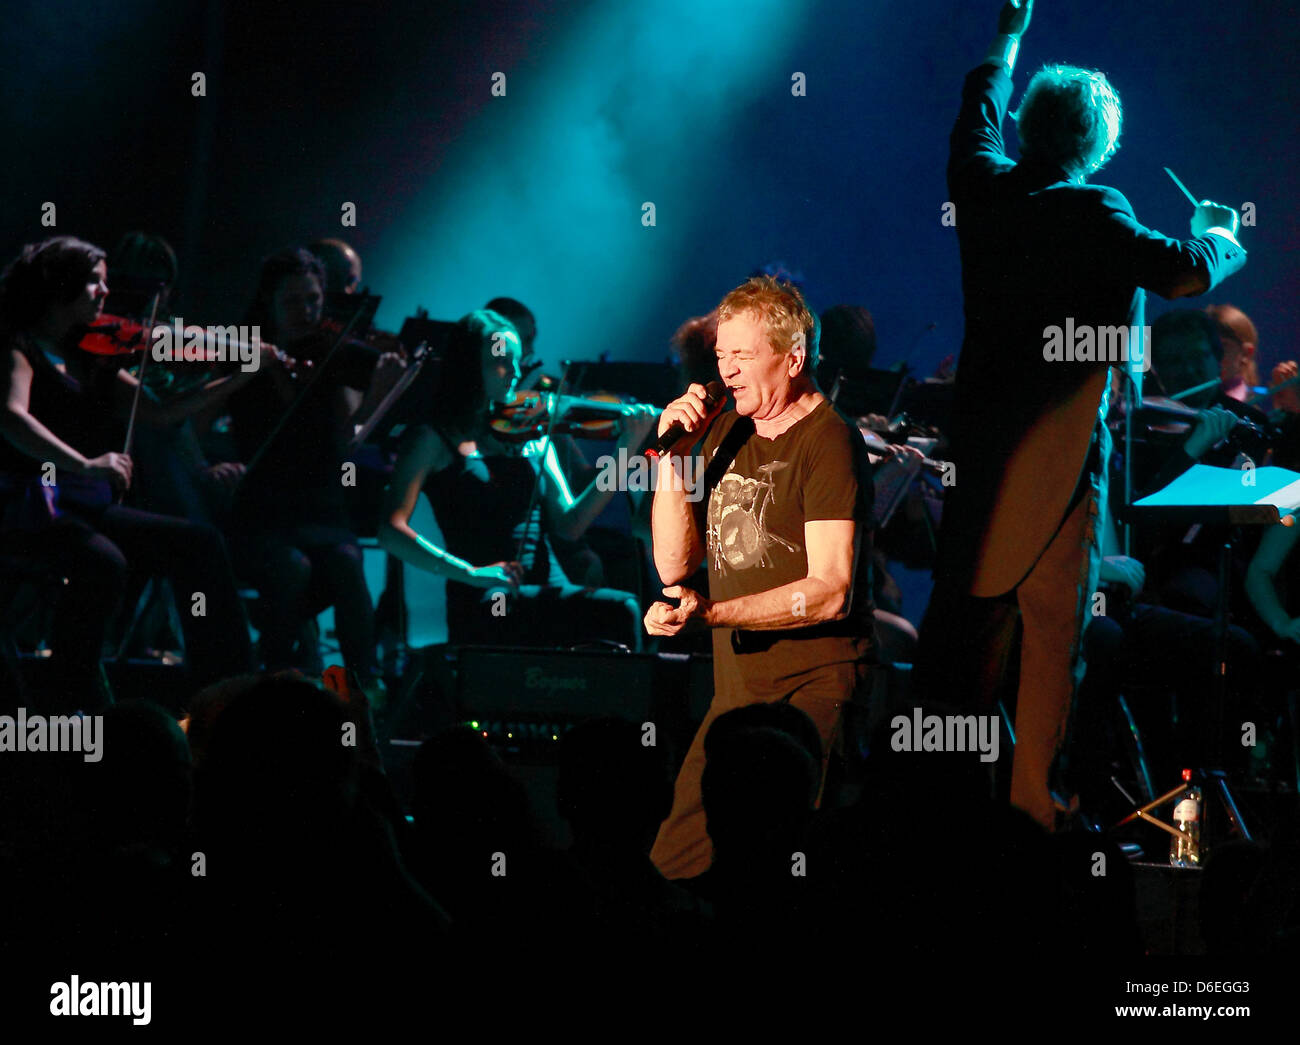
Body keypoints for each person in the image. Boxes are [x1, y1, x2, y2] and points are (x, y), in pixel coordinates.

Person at [914, 0, 1248, 829]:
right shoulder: (1096, 211)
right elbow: (1180, 274)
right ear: (1097, 146)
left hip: (984, 461)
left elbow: (975, 113)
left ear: (1029, 127)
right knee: (1054, 643)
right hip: (1061, 471)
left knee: (968, 642)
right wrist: (1221, 234)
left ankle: (946, 817)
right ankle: (1040, 812)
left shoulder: (985, 189)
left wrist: (1009, 35)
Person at [643, 275, 876, 879]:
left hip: (814, 689)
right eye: (721, 356)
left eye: (742, 356)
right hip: (739, 689)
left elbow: (830, 591)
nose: (727, 370)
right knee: (676, 858)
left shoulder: (830, 442)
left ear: (793, 358)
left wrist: (710, 613)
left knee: (792, 859)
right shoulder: (725, 430)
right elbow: (674, 567)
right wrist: (671, 462)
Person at [0, 236, 255, 709]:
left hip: (80, 507)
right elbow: (11, 418)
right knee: (104, 562)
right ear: (60, 287)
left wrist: (235, 375)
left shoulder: (91, 355)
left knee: (199, 542)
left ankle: (228, 690)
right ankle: (69, 694)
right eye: (95, 281)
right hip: (27, 508)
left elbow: (161, 412)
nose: (104, 293)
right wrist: (86, 464)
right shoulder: (18, 348)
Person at [378, 308, 655, 649]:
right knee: (618, 612)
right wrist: (470, 573)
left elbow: (571, 525)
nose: (515, 373)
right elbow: (391, 531)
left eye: (518, 361)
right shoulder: (434, 440)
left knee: (621, 610)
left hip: (546, 591)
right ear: (469, 368)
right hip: (484, 595)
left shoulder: (534, 437)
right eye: (501, 361)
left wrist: (624, 452)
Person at [226, 247, 403, 686]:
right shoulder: (241, 349)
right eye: (293, 302)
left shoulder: (331, 354)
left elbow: (349, 439)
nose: (306, 312)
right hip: (262, 510)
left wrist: (380, 391)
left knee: (346, 559)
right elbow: (193, 421)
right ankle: (275, 677)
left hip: (319, 506)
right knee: (293, 567)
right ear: (268, 301)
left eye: (313, 300)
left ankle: (361, 687)